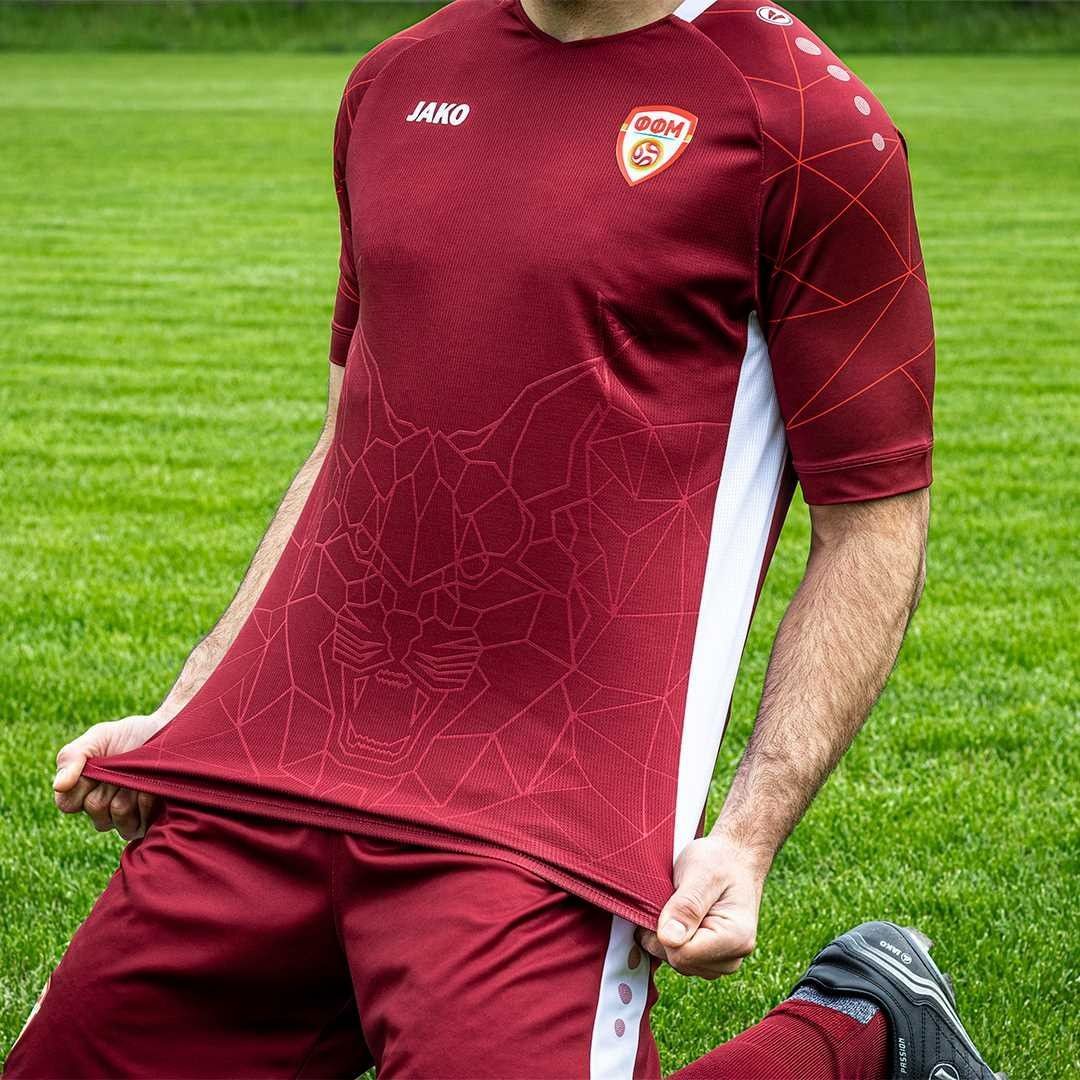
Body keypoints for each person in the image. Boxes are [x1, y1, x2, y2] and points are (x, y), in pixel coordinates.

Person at [5, 2, 1001, 1078]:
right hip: (274, 773)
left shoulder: (805, 121)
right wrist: (191, 707)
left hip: (542, 830)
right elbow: (347, 441)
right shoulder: (397, 78)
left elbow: (874, 521)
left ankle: (857, 1029)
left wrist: (748, 833)